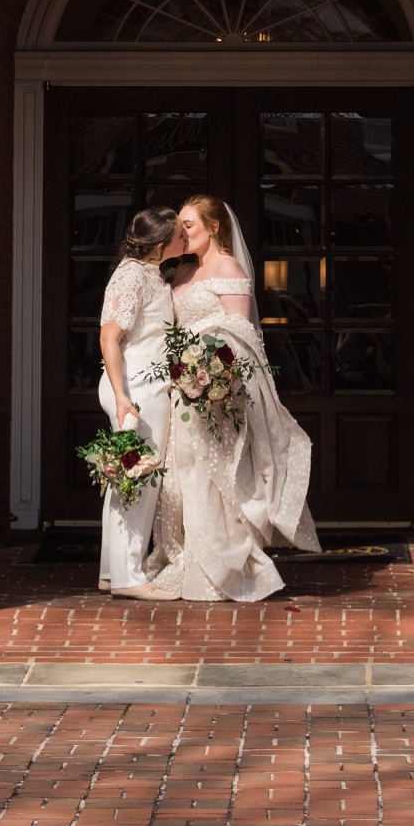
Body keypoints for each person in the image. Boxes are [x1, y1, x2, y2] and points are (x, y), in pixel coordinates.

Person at [144, 193, 320, 602]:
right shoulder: (181, 271)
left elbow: (240, 335)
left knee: (214, 476)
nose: (180, 233)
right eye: (179, 227)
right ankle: (184, 555)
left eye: (188, 225)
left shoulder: (229, 268)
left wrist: (208, 371)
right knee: (181, 474)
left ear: (215, 226)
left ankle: (223, 565)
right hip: (179, 388)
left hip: (212, 389)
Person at [96, 204, 181, 599]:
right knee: (139, 481)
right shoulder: (132, 276)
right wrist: (121, 396)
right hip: (136, 389)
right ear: (161, 244)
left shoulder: (151, 274)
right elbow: (109, 336)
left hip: (145, 387)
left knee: (125, 481)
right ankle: (130, 579)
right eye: (180, 234)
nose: (185, 239)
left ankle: (112, 573)